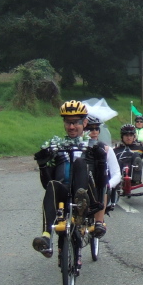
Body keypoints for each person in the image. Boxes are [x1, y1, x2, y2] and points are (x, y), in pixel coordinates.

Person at [32, 101, 109, 258]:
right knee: (54, 184)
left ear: (84, 122)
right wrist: (42, 165)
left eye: (75, 122)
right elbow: (47, 185)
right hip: (64, 191)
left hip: (88, 194)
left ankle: (80, 207)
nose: (71, 127)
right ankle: (46, 237)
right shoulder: (56, 147)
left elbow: (102, 183)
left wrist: (101, 162)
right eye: (68, 122)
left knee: (80, 162)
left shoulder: (94, 146)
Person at [86, 115, 122, 219]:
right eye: (90, 129)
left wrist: (108, 185)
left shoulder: (106, 149)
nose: (94, 132)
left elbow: (116, 174)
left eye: (97, 128)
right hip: (83, 184)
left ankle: (99, 223)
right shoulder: (78, 147)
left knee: (102, 187)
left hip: (100, 185)